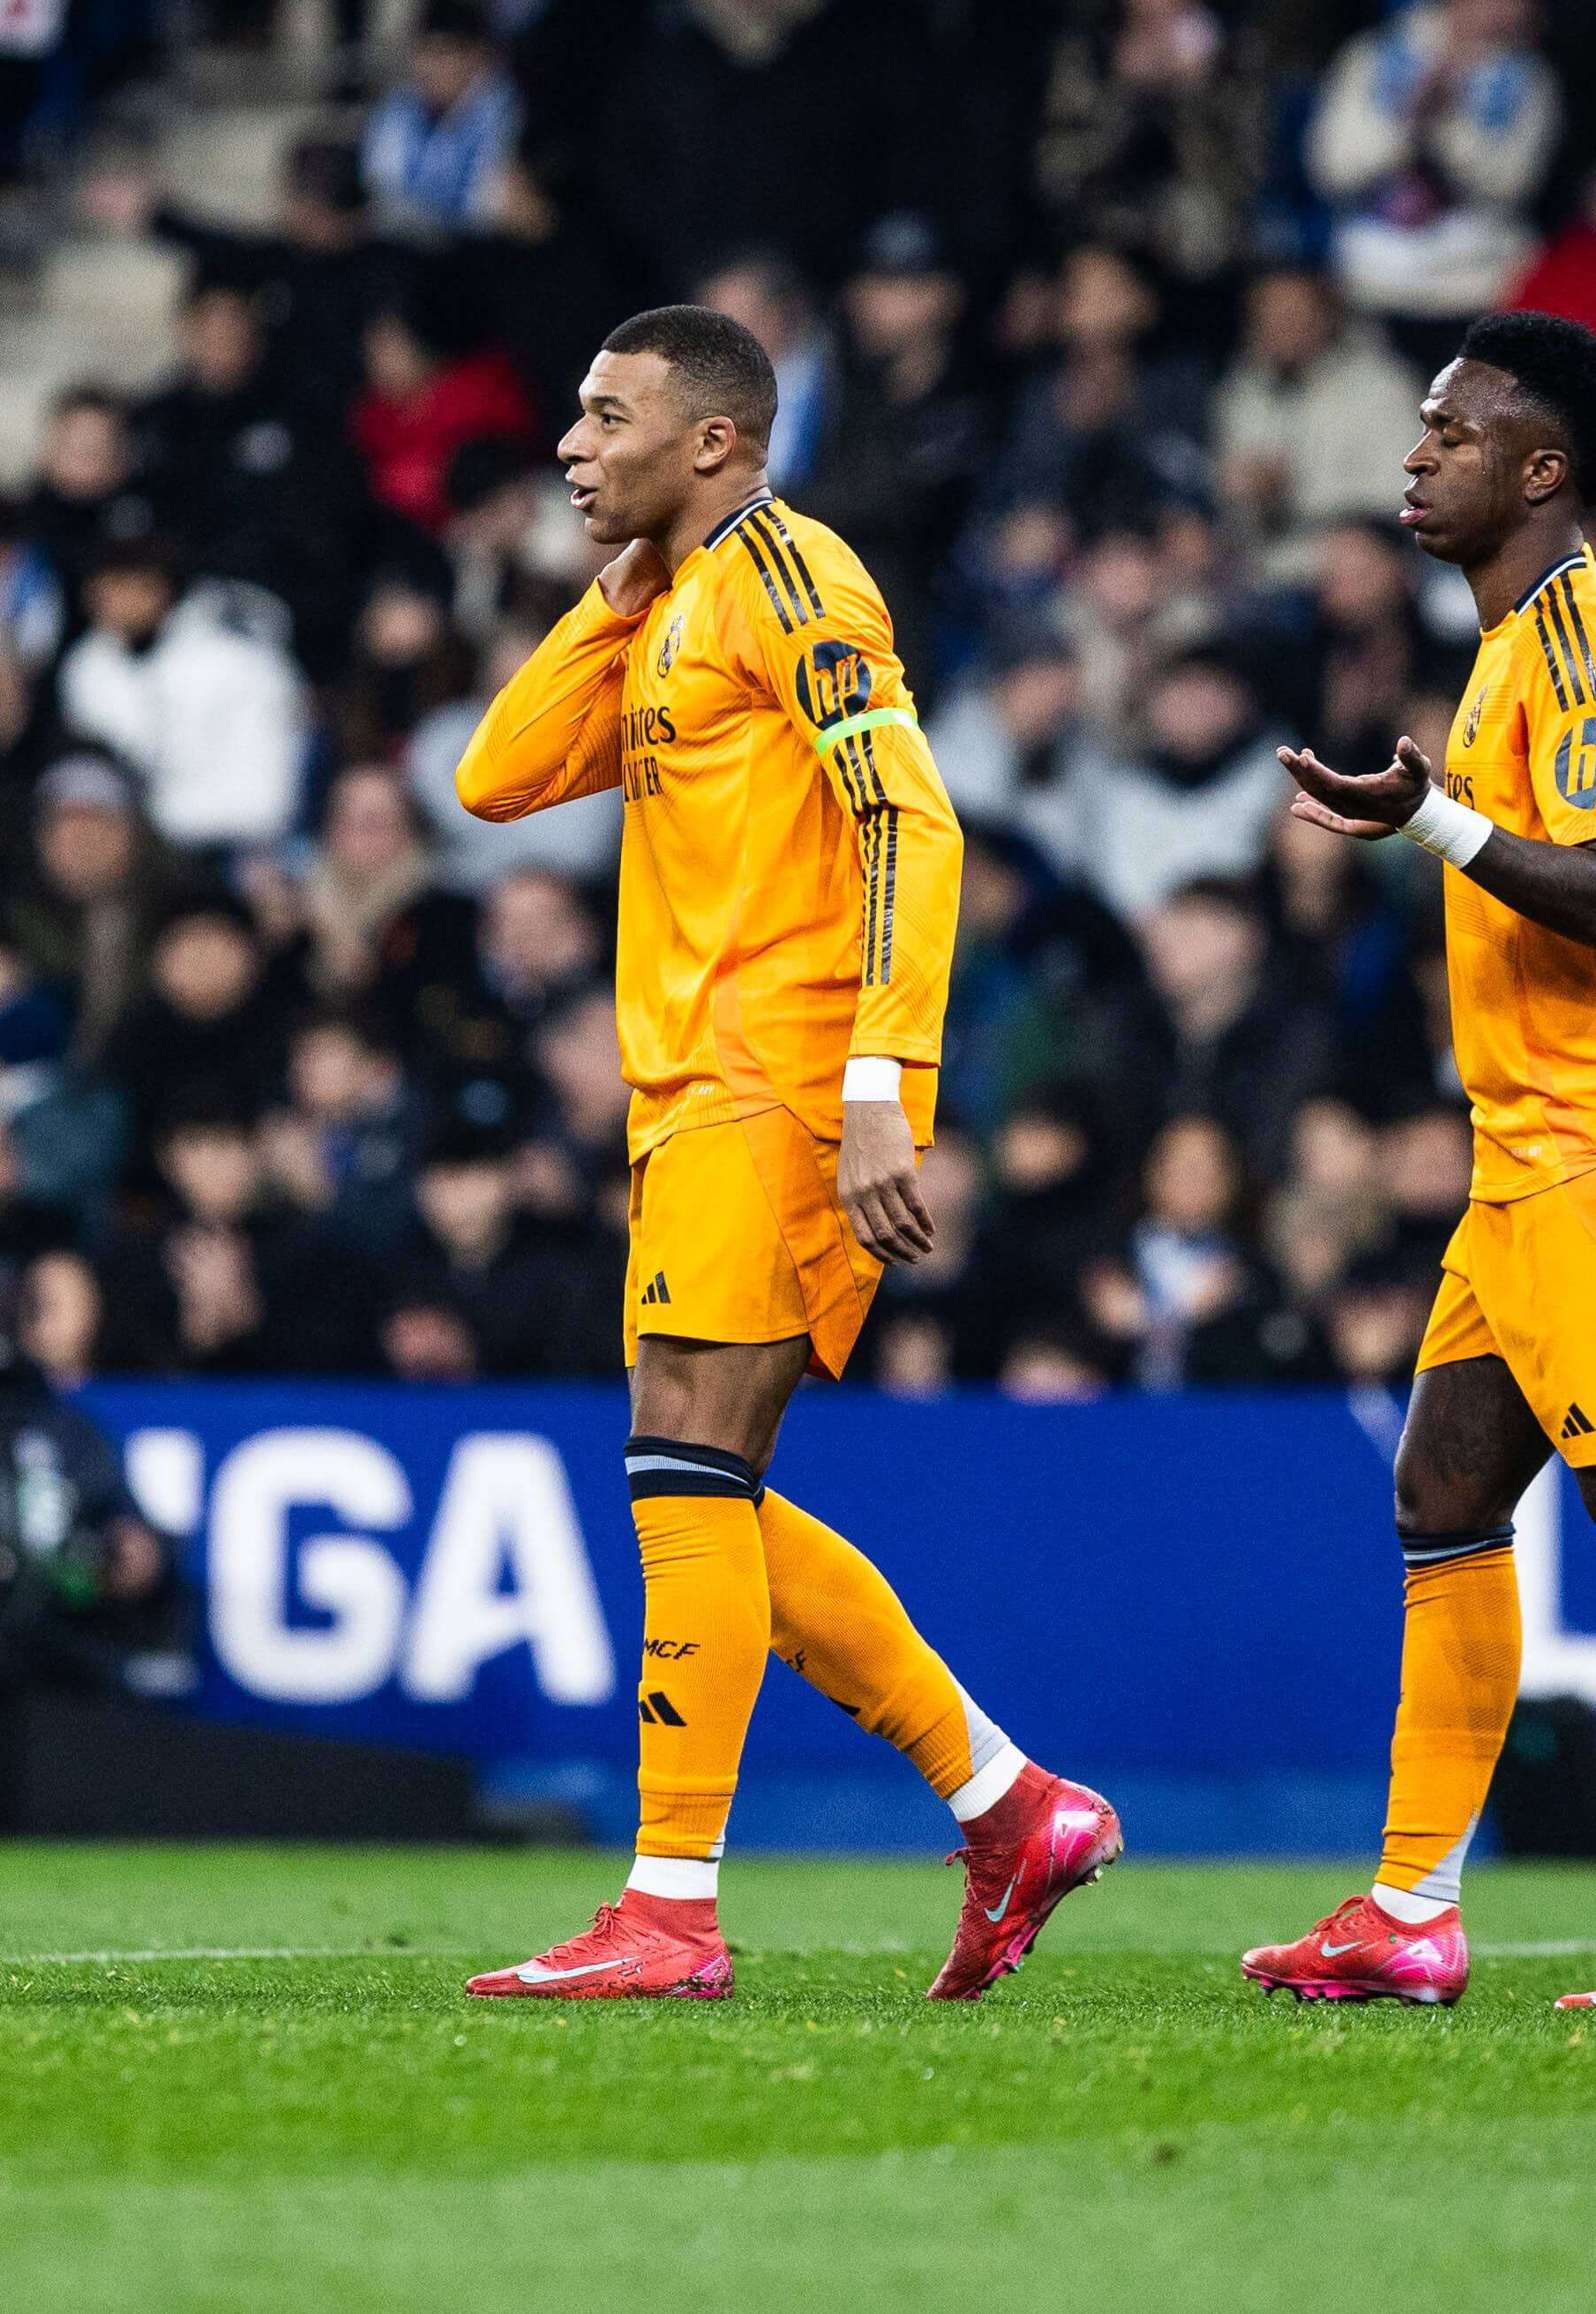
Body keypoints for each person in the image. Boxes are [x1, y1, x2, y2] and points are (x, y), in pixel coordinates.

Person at [452, 303, 1115, 2003]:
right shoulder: (674, 599)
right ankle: (1006, 1798)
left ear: (716, 443)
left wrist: (886, 1076)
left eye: (607, 417)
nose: (570, 444)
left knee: (683, 1470)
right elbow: (495, 775)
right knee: (703, 1487)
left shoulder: (797, 580)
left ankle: (671, 1904)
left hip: (777, 1077)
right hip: (690, 1094)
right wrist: (606, 602)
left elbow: (910, 812)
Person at [1243, 312, 1596, 2015]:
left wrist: (1431, 823)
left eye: (1450, 432)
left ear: (1540, 470)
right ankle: (1410, 1906)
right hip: (1530, 1150)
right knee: (1443, 1491)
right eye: (1419, 427)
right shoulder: (1500, 650)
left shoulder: (1573, 642)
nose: (1414, 456)